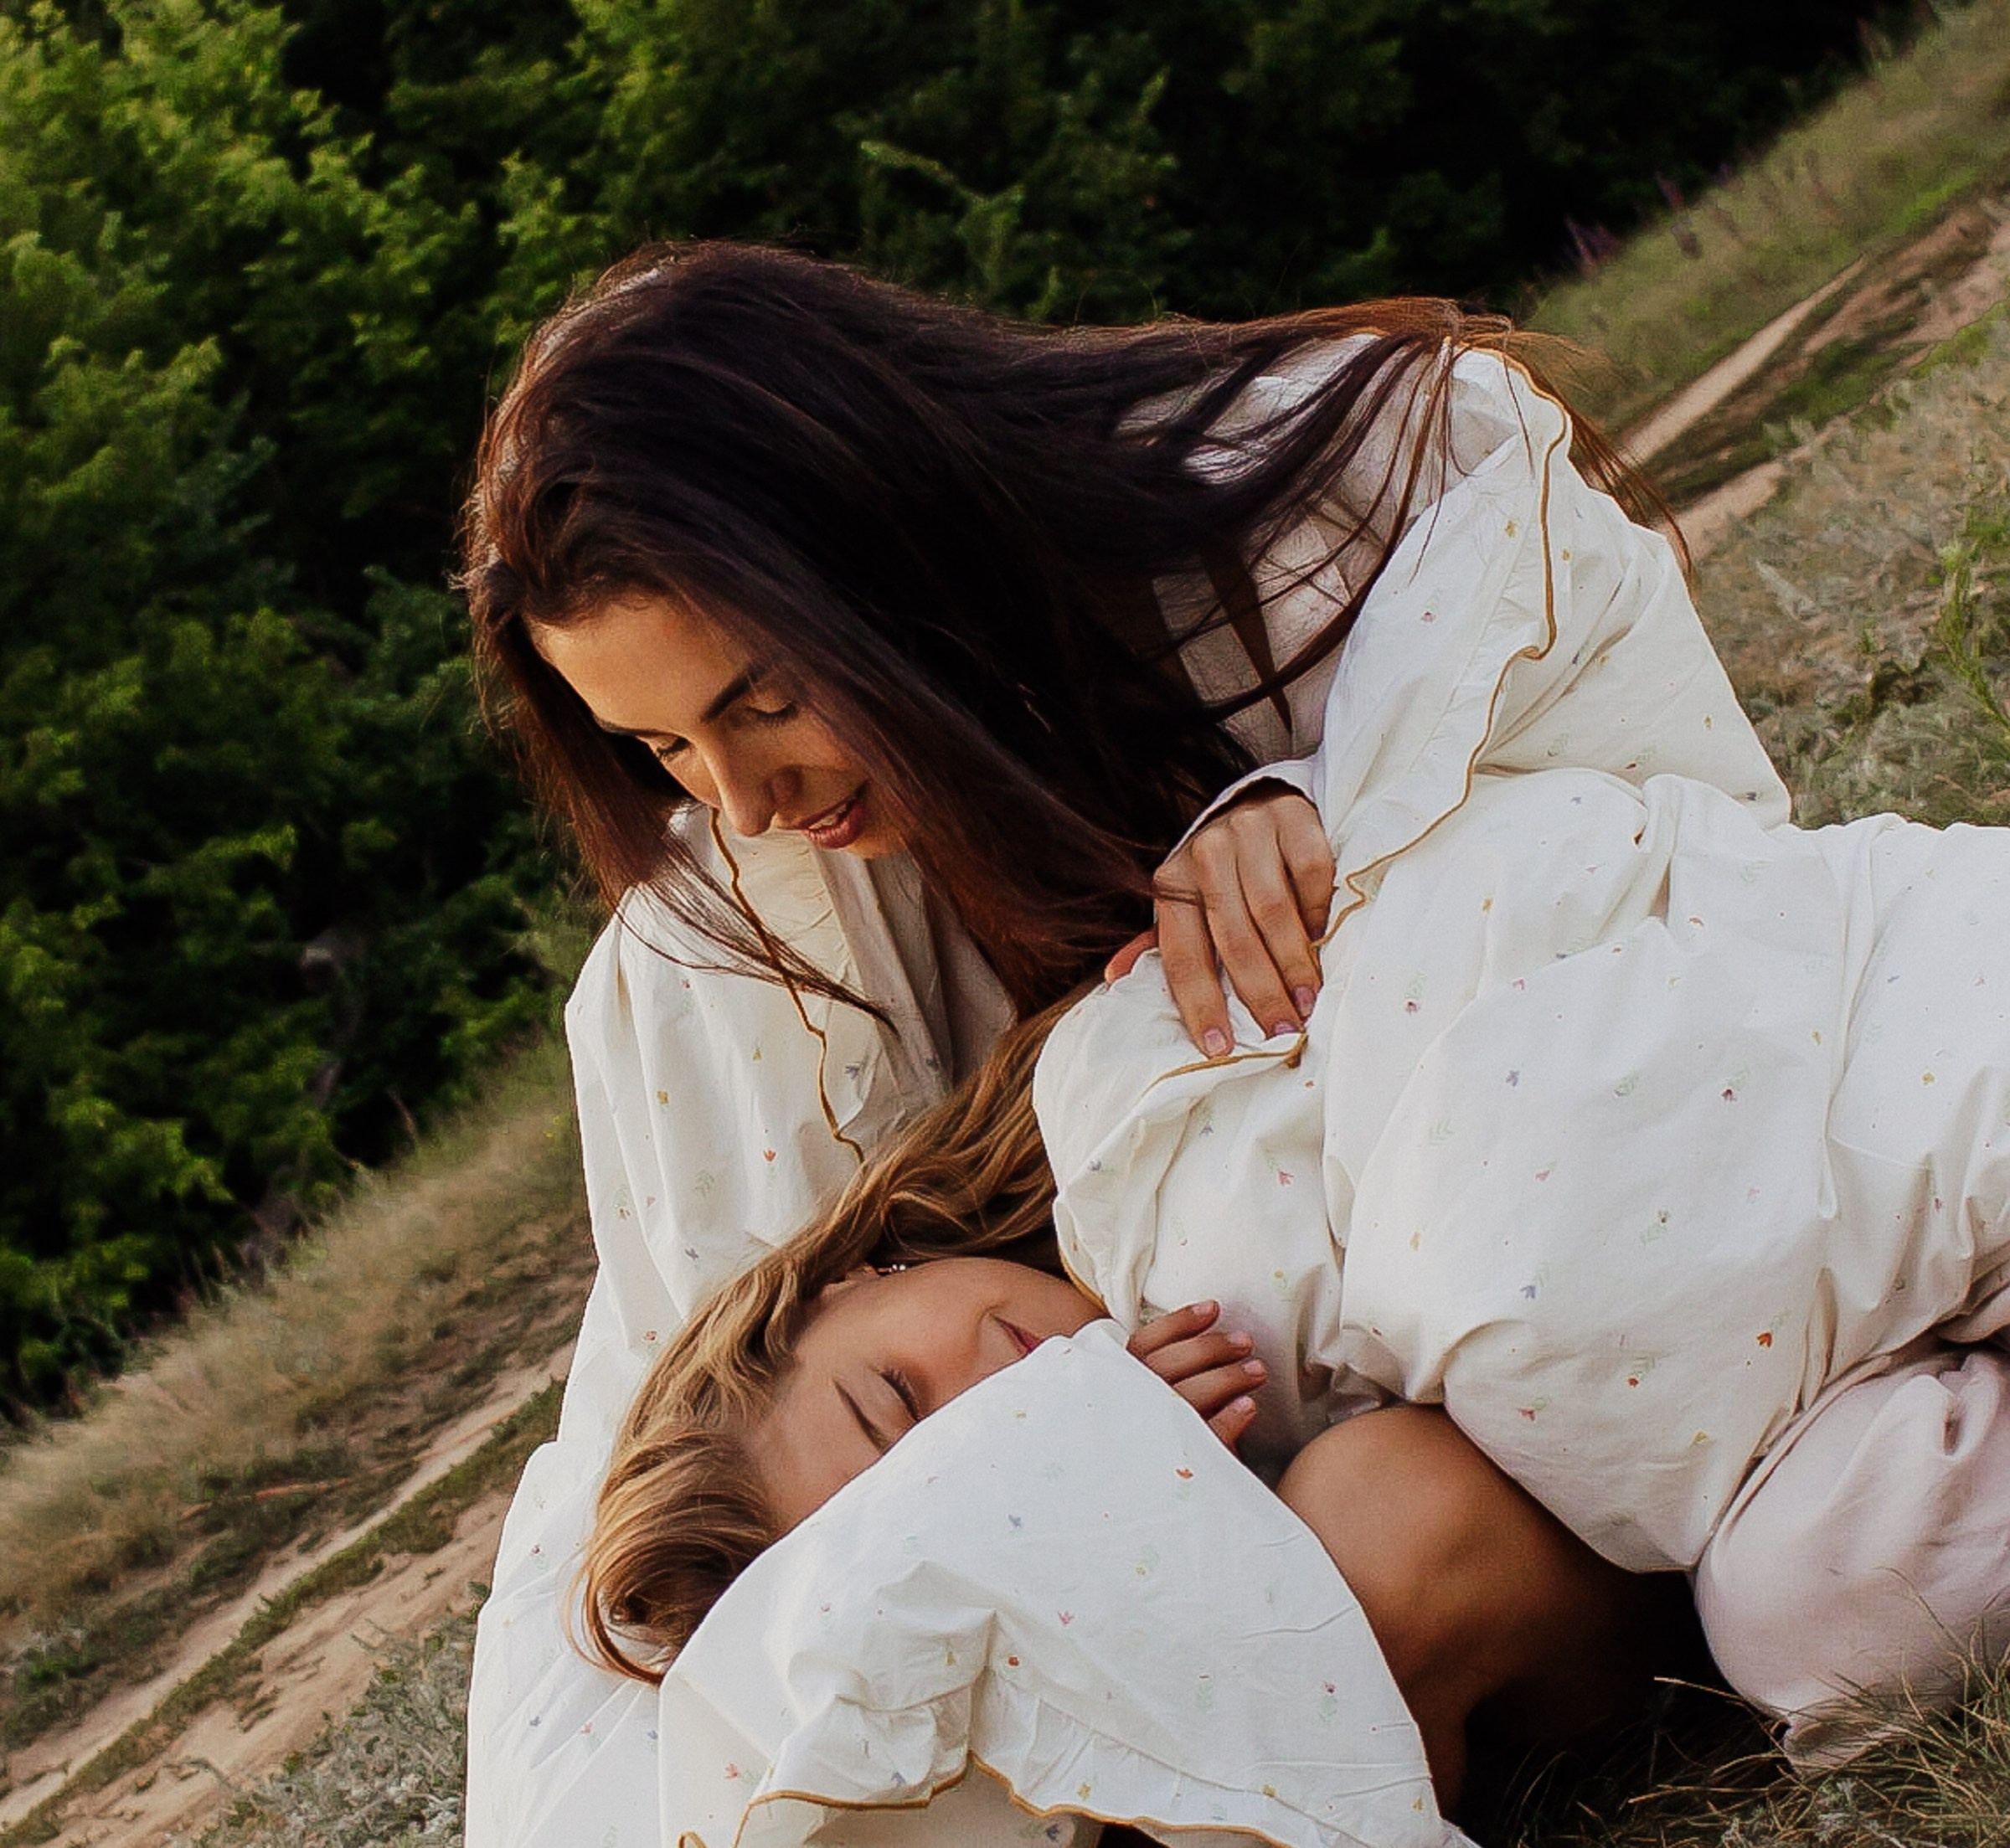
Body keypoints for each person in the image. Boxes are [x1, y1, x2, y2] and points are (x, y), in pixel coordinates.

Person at [456, 241, 1697, 1847]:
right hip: (1225, 1540)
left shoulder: (1322, 511)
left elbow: (1658, 874)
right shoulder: (742, 948)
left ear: (878, 553)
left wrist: (1343, 832)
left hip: (1541, 1333)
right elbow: (750, 1509)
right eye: (660, 748)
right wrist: (1083, 1483)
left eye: (758, 699)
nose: (739, 800)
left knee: (1381, 1533)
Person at [578, 1010, 1682, 1808]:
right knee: (1359, 1539)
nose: (1001, 1409)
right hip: (1574, 1589)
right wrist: (1144, 1501)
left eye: (900, 1396)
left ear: (845, 1284)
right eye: (961, 1487)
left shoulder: (1104, 1113)